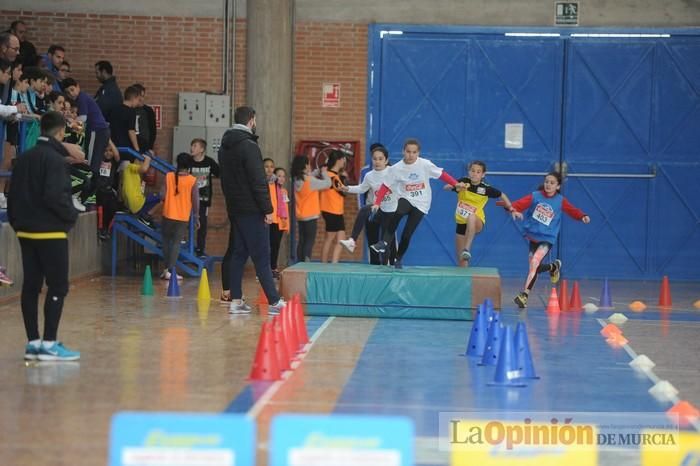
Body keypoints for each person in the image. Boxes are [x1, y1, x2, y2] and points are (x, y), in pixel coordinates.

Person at [7, 111, 80, 361]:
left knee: (31, 286)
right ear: (61, 132)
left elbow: (12, 196)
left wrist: (18, 225)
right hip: (51, 231)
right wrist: (71, 216)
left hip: (26, 231)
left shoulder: (23, 159)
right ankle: (49, 343)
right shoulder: (56, 161)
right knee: (58, 285)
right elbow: (55, 196)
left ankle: (33, 342)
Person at [218, 105, 286, 315]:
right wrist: (267, 209)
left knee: (238, 253)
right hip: (252, 209)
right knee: (262, 255)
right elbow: (258, 181)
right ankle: (275, 302)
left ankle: (236, 301)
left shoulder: (224, 146)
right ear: (251, 120)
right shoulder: (249, 145)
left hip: (235, 208)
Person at [370, 138, 465, 269]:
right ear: (403, 151)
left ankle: (398, 258)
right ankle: (384, 242)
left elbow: (441, 174)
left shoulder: (425, 164)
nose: (411, 155)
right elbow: (385, 186)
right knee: (399, 211)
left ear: (418, 153)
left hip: (422, 203)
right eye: (408, 151)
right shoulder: (396, 168)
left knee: (407, 234)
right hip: (406, 198)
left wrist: (455, 183)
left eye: (414, 152)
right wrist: (377, 203)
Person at [510, 171, 590, 308]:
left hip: (548, 238)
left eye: (552, 183)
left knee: (535, 262)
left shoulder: (560, 200)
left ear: (558, 186)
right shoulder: (535, 196)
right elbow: (518, 204)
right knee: (533, 267)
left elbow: (572, 210)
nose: (548, 184)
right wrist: (514, 210)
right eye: (547, 181)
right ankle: (554, 266)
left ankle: (524, 295)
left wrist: (582, 216)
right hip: (533, 237)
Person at [446, 160, 514, 267]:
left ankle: (467, 249)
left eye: (478, 172)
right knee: (461, 260)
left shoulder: (485, 188)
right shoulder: (464, 181)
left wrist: (511, 209)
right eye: (472, 171)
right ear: (469, 172)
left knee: (471, 217)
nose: (474, 173)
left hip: (477, 221)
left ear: (483, 175)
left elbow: (502, 194)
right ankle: (464, 281)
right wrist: (457, 186)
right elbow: (446, 187)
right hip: (461, 223)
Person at [339, 143, 397, 265]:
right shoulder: (369, 175)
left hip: (391, 210)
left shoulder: (393, 172)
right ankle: (352, 241)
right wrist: (347, 188)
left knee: (386, 242)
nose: (377, 162)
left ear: (386, 160)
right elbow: (361, 188)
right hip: (377, 208)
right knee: (365, 209)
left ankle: (390, 265)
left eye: (380, 159)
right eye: (375, 159)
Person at [160, 153, 199, 281]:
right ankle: (170, 270)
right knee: (176, 243)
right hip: (182, 216)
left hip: (167, 214)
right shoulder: (192, 180)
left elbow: (162, 195)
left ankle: (166, 270)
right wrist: (196, 216)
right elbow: (195, 201)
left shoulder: (169, 176)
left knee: (166, 241)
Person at [62, 77, 111, 173]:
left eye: (72, 90)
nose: (71, 94)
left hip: (96, 131)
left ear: (78, 87)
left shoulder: (82, 98)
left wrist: (71, 122)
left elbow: (83, 118)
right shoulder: (83, 97)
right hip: (101, 131)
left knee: (91, 160)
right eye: (68, 92)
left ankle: (90, 183)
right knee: (95, 159)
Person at [291, 155, 331, 262]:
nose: (310, 166)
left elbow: (308, 176)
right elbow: (328, 183)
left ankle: (299, 262)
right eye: (308, 163)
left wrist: (318, 170)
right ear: (305, 165)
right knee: (309, 241)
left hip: (300, 215)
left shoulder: (296, 179)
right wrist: (324, 173)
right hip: (311, 215)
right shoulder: (310, 181)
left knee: (302, 240)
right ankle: (306, 262)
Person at [188, 138, 220, 256]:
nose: (192, 148)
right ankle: (187, 245)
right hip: (188, 199)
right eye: (192, 145)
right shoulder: (188, 162)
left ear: (202, 149)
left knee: (202, 225)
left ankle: (200, 249)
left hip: (203, 200)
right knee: (186, 223)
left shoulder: (209, 162)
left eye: (195, 146)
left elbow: (219, 173)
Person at [319, 150, 348, 263]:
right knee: (330, 238)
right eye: (343, 159)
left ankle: (333, 264)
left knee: (341, 239)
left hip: (336, 210)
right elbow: (343, 191)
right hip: (331, 210)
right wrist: (344, 179)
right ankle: (324, 264)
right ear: (339, 160)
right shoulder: (331, 176)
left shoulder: (332, 175)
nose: (344, 162)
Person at [270, 167, 290, 277]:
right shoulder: (272, 188)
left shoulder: (284, 191)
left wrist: (287, 225)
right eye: (279, 175)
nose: (281, 178)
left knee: (276, 246)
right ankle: (268, 269)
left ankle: (273, 268)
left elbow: (285, 209)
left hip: (281, 223)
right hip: (273, 221)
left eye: (283, 176)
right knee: (270, 245)